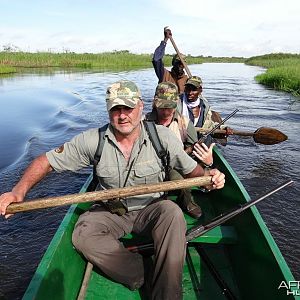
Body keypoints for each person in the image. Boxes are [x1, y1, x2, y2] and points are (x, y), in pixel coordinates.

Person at [0, 80, 225, 300]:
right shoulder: (93, 140)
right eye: (115, 109)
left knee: (174, 214)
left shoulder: (161, 137)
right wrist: (19, 191)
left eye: (127, 107)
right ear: (108, 111)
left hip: (152, 209)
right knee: (83, 235)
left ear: (140, 107)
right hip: (111, 211)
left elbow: (192, 172)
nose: (122, 115)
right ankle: (141, 272)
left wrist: (210, 176)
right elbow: (45, 161)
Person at [145, 81, 215, 219]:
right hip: (148, 164)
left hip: (174, 165)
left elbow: (195, 149)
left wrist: (207, 162)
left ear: (176, 103)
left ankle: (187, 200)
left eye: (169, 107)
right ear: (155, 103)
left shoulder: (184, 123)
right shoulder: (143, 121)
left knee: (181, 176)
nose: (166, 111)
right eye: (162, 106)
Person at [178, 75, 233, 142]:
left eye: (194, 90)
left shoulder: (204, 106)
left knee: (208, 139)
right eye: (188, 89)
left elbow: (209, 125)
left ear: (200, 90)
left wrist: (224, 128)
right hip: (180, 140)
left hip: (198, 141)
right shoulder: (177, 103)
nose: (190, 93)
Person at [152, 28, 188, 94]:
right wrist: (165, 40)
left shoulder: (187, 80)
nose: (180, 66)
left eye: (182, 64)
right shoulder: (164, 74)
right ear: (173, 63)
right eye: (178, 63)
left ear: (184, 66)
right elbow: (156, 59)